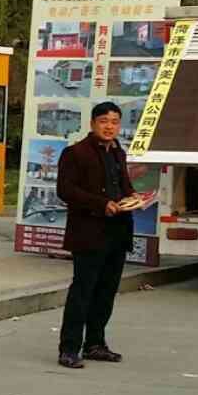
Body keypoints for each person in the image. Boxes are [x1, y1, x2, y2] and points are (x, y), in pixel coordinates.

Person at [53, 101, 139, 369]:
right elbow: (66, 190)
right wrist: (101, 204)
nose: (109, 126)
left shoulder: (117, 152)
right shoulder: (75, 153)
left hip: (117, 232)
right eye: (104, 121)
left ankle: (95, 344)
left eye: (114, 121)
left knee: (106, 292)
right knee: (83, 291)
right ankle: (69, 349)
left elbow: (123, 184)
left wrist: (133, 197)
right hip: (89, 233)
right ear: (92, 124)